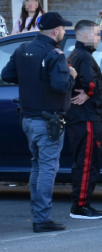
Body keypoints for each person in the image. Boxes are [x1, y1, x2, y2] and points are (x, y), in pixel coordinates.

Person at [1, 12, 75, 232]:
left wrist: (30, 79)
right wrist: (72, 74)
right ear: (55, 31)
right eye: (63, 29)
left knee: (37, 165)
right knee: (47, 168)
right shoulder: (54, 53)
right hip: (48, 120)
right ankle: (42, 219)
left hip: (28, 119)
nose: (64, 32)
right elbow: (61, 85)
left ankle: (38, 214)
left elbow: (7, 74)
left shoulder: (23, 49)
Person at [65, 20, 102, 220]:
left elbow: (87, 81)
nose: (99, 38)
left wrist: (99, 81)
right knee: (87, 162)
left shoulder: (77, 55)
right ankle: (80, 206)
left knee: (84, 161)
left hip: (82, 117)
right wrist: (91, 91)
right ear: (84, 36)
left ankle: (81, 203)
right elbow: (89, 83)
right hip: (87, 117)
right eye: (96, 34)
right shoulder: (85, 57)